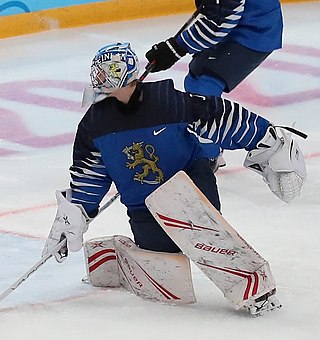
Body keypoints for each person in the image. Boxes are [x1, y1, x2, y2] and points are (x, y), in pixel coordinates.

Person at [42, 42, 306, 314]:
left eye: (102, 73)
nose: (96, 80)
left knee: (199, 229)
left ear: (120, 73)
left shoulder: (169, 102)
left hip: (189, 185)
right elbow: (91, 174)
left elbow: (220, 117)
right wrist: (75, 212)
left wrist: (266, 139)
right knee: (165, 274)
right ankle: (117, 256)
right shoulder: (93, 125)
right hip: (142, 205)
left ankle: (253, 288)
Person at [145, 0, 284, 169]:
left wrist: (176, 48)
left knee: (203, 85)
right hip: (240, 22)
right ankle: (210, 147)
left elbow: (221, 23)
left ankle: (209, 156)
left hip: (255, 29)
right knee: (198, 76)